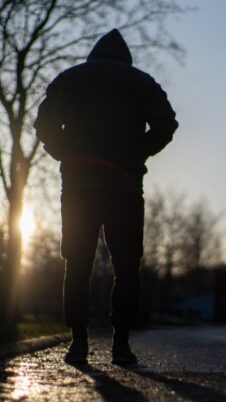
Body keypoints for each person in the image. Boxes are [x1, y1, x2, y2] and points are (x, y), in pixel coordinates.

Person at [34, 29, 178, 365]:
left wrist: (65, 153)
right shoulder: (142, 82)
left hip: (79, 186)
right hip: (124, 187)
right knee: (127, 266)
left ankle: (78, 342)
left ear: (94, 54)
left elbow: (44, 124)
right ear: (125, 58)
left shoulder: (69, 79)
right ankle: (121, 345)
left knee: (78, 261)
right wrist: (137, 153)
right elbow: (166, 124)